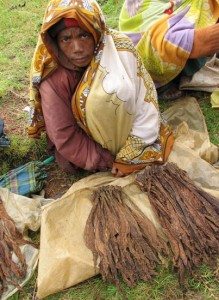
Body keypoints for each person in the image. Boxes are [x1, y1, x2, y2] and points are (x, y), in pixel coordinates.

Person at [27, 0, 173, 176]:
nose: (77, 48)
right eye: (66, 39)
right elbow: (64, 134)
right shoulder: (53, 80)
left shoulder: (119, 48)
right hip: (83, 151)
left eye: (84, 36)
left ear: (97, 33)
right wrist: (106, 160)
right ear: (55, 42)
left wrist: (133, 150)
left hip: (124, 133)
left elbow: (143, 97)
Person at [119, 0, 219, 100]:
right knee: (177, 43)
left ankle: (191, 62)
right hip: (146, 44)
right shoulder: (141, 6)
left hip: (175, 12)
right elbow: (161, 37)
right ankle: (162, 85)